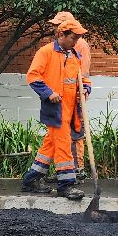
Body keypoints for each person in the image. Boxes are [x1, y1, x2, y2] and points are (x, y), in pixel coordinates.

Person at [21, 12, 92, 198]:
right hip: (56, 108)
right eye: (73, 38)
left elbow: (82, 78)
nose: (76, 42)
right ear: (61, 35)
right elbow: (33, 76)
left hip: (71, 110)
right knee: (63, 143)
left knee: (50, 145)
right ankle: (66, 185)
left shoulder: (74, 55)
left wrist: (85, 89)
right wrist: (48, 93)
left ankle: (31, 179)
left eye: (77, 38)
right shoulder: (45, 52)